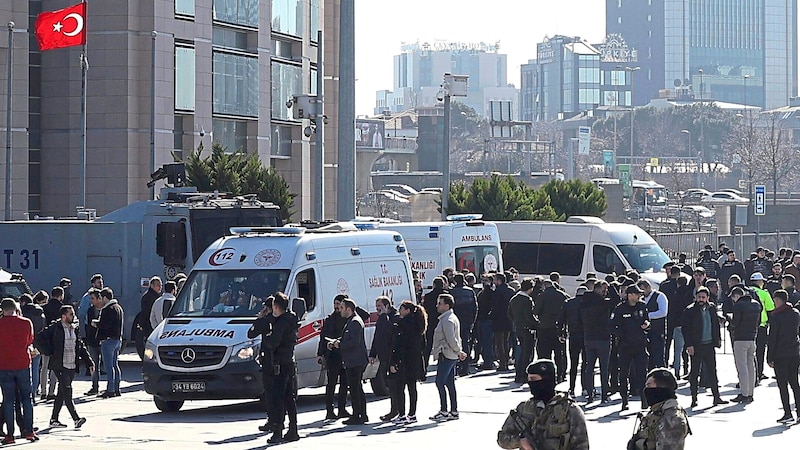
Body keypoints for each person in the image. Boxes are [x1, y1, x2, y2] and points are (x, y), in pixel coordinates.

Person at [496, 359, 589, 450]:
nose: (530, 383)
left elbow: (582, 445)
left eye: (534, 379)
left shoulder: (570, 410)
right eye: (529, 379)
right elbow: (502, 438)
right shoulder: (524, 408)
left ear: (547, 380)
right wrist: (519, 442)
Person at [38, 305, 93, 429]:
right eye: (71, 314)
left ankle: (54, 419)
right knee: (67, 391)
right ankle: (76, 418)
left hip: (72, 365)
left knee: (61, 393)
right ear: (63, 317)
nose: (73, 316)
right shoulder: (55, 328)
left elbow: (80, 346)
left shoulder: (74, 328)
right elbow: (39, 338)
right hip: (60, 365)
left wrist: (89, 362)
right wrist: (48, 351)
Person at [262, 293, 300, 443]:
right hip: (288, 362)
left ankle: (278, 430)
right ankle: (293, 429)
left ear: (276, 306)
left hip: (280, 364)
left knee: (278, 398)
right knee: (289, 398)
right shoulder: (290, 319)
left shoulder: (281, 323)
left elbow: (273, 342)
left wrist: (268, 334)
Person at [681, 287, 727, 407]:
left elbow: (715, 324)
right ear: (695, 297)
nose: (701, 299)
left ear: (707, 298)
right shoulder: (689, 310)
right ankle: (694, 398)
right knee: (695, 373)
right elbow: (685, 329)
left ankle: (716, 397)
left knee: (712, 372)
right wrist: (689, 345)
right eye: (699, 297)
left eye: (703, 297)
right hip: (696, 346)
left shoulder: (711, 308)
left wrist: (717, 340)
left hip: (709, 345)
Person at [0, 298, 36, 444]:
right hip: (23, 363)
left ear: (2, 309)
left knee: (8, 401)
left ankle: (10, 434)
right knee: (27, 399)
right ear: (16, 308)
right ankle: (29, 431)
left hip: (4, 365)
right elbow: (29, 341)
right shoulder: (26, 323)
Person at [628, 368, 690, 450]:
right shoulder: (657, 410)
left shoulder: (671, 418)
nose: (646, 390)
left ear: (661, 389)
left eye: (649, 385)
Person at [611, 284, 650, 411]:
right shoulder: (620, 308)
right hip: (625, 346)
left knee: (642, 374)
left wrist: (646, 325)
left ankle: (644, 401)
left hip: (640, 345)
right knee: (623, 374)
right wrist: (622, 334)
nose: (639, 296)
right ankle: (624, 400)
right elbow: (611, 326)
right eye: (637, 294)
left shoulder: (642, 306)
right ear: (630, 295)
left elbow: (647, 321)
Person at [388, 300, 427, 425]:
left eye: (402, 308)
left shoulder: (403, 324)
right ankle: (412, 414)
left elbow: (399, 345)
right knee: (412, 387)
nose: (399, 311)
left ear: (408, 310)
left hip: (404, 361)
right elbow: (423, 345)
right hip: (414, 360)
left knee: (400, 388)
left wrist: (394, 362)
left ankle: (402, 414)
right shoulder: (418, 324)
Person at [429, 293, 467, 421]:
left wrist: (459, 351)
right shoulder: (448, 317)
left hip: (447, 354)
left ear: (446, 305)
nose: (437, 306)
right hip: (449, 354)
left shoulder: (448, 320)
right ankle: (454, 411)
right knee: (450, 383)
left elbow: (452, 338)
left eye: (440, 303)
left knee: (439, 382)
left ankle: (444, 410)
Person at [333, 298, 369, 425]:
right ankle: (362, 414)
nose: (340, 310)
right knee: (357, 388)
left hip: (356, 361)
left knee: (355, 389)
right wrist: (336, 341)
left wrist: (340, 345)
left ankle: (357, 415)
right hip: (353, 360)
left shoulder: (355, 322)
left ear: (349, 309)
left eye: (342, 308)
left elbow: (354, 341)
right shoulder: (350, 321)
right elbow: (347, 337)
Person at [766, 290, 800, 422]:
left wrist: (769, 357)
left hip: (780, 354)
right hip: (794, 352)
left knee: (783, 385)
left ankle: (787, 413)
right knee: (795, 383)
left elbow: (773, 338)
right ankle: (799, 411)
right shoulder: (796, 313)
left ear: (778, 300)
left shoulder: (776, 316)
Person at [580, 280, 615, 404]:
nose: (605, 292)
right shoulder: (603, 303)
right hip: (603, 337)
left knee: (589, 367)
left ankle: (589, 393)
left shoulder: (584, 302)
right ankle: (604, 395)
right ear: (598, 289)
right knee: (604, 368)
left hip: (589, 337)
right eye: (604, 290)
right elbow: (616, 301)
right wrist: (611, 287)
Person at [317, 295, 349, 420]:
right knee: (331, 384)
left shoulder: (348, 319)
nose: (336, 306)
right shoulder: (330, 319)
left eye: (339, 304)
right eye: (335, 303)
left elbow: (366, 315)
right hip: (333, 356)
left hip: (345, 355)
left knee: (344, 384)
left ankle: (342, 408)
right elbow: (323, 337)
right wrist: (320, 353)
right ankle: (329, 410)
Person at [728, 287, 761, 403]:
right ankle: (750, 393)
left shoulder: (738, 306)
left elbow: (735, 323)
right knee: (751, 366)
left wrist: (729, 321)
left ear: (736, 296)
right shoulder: (756, 304)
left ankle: (744, 393)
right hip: (752, 337)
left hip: (740, 339)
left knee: (742, 367)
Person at [248, 296, 275, 432]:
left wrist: (258, 319)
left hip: (268, 360)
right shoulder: (282, 320)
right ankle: (279, 420)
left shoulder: (264, 321)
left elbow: (251, 334)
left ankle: (272, 420)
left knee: (269, 392)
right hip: (280, 360)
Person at [370, 296, 398, 420]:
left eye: (380, 307)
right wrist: (372, 354)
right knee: (389, 384)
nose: (377, 309)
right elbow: (377, 337)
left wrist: (384, 317)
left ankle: (398, 411)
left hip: (393, 356)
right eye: (376, 307)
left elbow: (390, 334)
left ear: (387, 306)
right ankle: (394, 410)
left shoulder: (394, 318)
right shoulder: (381, 318)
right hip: (384, 356)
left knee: (395, 385)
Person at [93, 287, 124, 398]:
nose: (100, 300)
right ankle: (117, 388)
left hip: (108, 340)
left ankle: (110, 390)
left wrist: (96, 323)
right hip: (117, 339)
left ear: (106, 298)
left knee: (108, 366)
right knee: (115, 365)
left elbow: (105, 325)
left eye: (101, 297)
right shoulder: (118, 307)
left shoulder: (108, 309)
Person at [534, 280, 568, 380]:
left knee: (544, 354)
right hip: (559, 328)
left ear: (544, 286)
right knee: (560, 353)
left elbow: (536, 311)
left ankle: (547, 374)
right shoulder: (563, 295)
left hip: (545, 328)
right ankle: (561, 374)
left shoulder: (542, 296)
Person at [508, 278, 538, 384]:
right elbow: (529, 316)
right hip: (528, 329)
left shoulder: (514, 299)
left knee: (521, 353)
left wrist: (516, 322)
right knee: (527, 354)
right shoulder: (527, 300)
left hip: (518, 328)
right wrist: (537, 325)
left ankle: (518, 375)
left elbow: (509, 313)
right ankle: (524, 375)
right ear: (530, 288)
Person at [749, 272, 775, 382]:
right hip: (761, 326)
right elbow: (771, 309)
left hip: (747, 326)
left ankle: (750, 375)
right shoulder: (764, 294)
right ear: (758, 282)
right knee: (760, 351)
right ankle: (759, 373)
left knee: (748, 353)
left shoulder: (746, 291)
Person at [18, 294, 44, 403]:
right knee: (35, 369)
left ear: (23, 302)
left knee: (25, 371)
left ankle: (25, 394)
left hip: (25, 344)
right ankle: (33, 393)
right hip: (38, 344)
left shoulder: (24, 314)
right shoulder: (40, 313)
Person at [450, 273, 477, 376]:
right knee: (465, 343)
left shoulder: (452, 292)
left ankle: (456, 365)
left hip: (455, 321)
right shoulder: (470, 291)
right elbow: (475, 307)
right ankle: (465, 367)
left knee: (455, 343)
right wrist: (473, 321)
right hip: (467, 321)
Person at [562, 286, 586, 397]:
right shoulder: (587, 302)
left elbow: (561, 319)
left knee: (574, 363)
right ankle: (585, 387)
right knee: (586, 363)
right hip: (586, 335)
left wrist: (562, 332)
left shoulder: (568, 303)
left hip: (573, 334)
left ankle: (571, 388)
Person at [639, 279, 668, 369]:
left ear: (648, 287)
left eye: (642, 289)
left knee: (658, 357)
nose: (641, 292)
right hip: (645, 333)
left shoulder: (660, 296)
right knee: (648, 358)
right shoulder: (641, 299)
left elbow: (663, 312)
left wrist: (647, 316)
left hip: (658, 332)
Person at [492, 273, 516, 372]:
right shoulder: (511, 291)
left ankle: (503, 364)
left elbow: (495, 306)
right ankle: (506, 360)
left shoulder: (497, 291)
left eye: (495, 280)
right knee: (506, 342)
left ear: (499, 281)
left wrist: (492, 315)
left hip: (499, 319)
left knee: (499, 343)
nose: (493, 282)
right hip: (509, 319)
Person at [39, 288, 60, 401]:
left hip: (45, 340)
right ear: (60, 296)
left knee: (44, 367)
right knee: (54, 368)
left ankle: (43, 391)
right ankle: (51, 392)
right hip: (56, 341)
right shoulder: (61, 308)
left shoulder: (44, 308)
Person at [422, 277, 447, 365]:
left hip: (431, 322)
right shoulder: (447, 296)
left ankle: (424, 365)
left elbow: (425, 309)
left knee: (428, 345)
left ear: (434, 285)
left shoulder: (428, 296)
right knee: (444, 345)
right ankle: (442, 364)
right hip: (444, 322)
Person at [136, 276, 162, 356]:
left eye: (160, 285)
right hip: (149, 326)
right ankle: (148, 358)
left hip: (150, 325)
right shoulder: (149, 297)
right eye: (158, 285)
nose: (160, 287)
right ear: (152, 285)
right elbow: (147, 313)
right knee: (149, 346)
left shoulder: (153, 296)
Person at [84, 289, 102, 395]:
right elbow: (89, 325)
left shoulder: (106, 309)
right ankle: (95, 387)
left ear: (99, 298)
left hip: (103, 340)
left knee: (109, 365)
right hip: (92, 341)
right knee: (94, 365)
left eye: (93, 298)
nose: (91, 301)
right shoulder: (90, 310)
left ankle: (112, 388)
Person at [476, 273, 496, 370]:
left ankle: (488, 362)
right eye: (483, 280)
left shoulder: (488, 293)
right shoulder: (483, 293)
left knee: (487, 342)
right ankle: (487, 361)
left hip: (486, 319)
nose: (484, 282)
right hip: (483, 319)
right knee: (484, 342)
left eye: (486, 281)